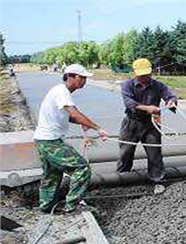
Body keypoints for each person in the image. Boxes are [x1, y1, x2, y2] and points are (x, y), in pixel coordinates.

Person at [33, 64, 108, 213]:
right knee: (82, 168)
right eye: (82, 77)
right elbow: (73, 113)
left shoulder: (59, 91)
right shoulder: (62, 91)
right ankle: (72, 206)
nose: (84, 81)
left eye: (85, 78)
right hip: (51, 141)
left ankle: (46, 208)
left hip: (43, 140)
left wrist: (83, 123)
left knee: (51, 176)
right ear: (70, 76)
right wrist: (97, 128)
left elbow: (67, 116)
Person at [117, 58, 178, 194]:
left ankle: (157, 180)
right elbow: (129, 102)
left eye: (147, 74)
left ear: (151, 72)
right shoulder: (127, 85)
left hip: (151, 124)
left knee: (154, 153)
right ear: (135, 73)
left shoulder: (158, 85)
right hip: (131, 123)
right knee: (125, 152)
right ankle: (121, 179)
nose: (144, 77)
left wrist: (171, 102)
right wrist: (147, 108)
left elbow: (170, 96)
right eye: (141, 74)